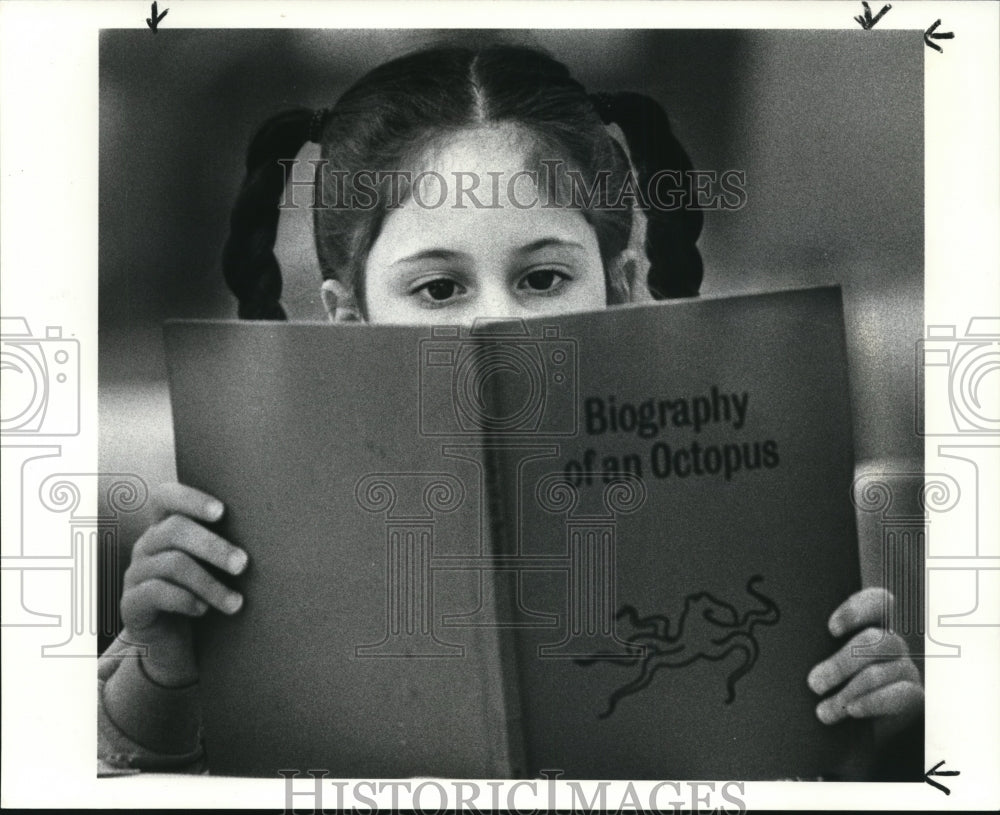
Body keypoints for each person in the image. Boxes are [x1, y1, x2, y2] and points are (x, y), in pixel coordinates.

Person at [98, 43, 923, 776]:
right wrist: (165, 661)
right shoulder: (250, 513)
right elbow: (135, 762)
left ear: (621, 285)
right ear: (351, 318)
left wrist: (887, 732)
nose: (493, 322)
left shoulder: (766, 496)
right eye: (438, 288)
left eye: (541, 277)